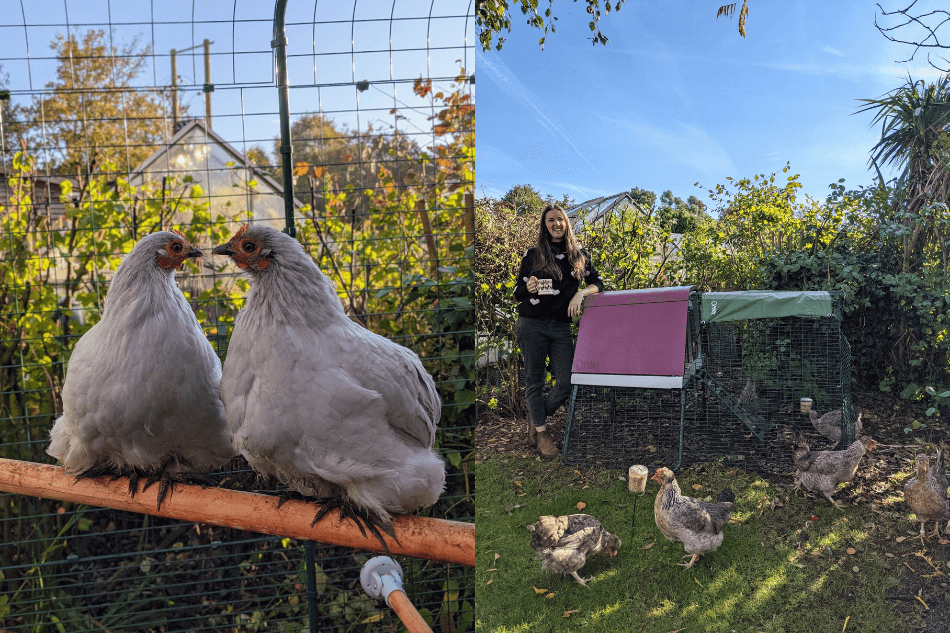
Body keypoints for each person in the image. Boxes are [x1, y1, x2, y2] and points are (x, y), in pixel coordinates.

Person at [513, 203, 604, 459]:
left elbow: (598, 282)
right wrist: (528, 287)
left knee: (566, 381)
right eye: (550, 220)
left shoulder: (579, 255)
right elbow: (517, 293)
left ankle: (536, 417)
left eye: (560, 219)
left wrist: (581, 292)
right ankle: (542, 434)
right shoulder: (534, 255)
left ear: (567, 223)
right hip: (532, 324)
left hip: (562, 327)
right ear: (545, 224)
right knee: (535, 380)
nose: (556, 224)